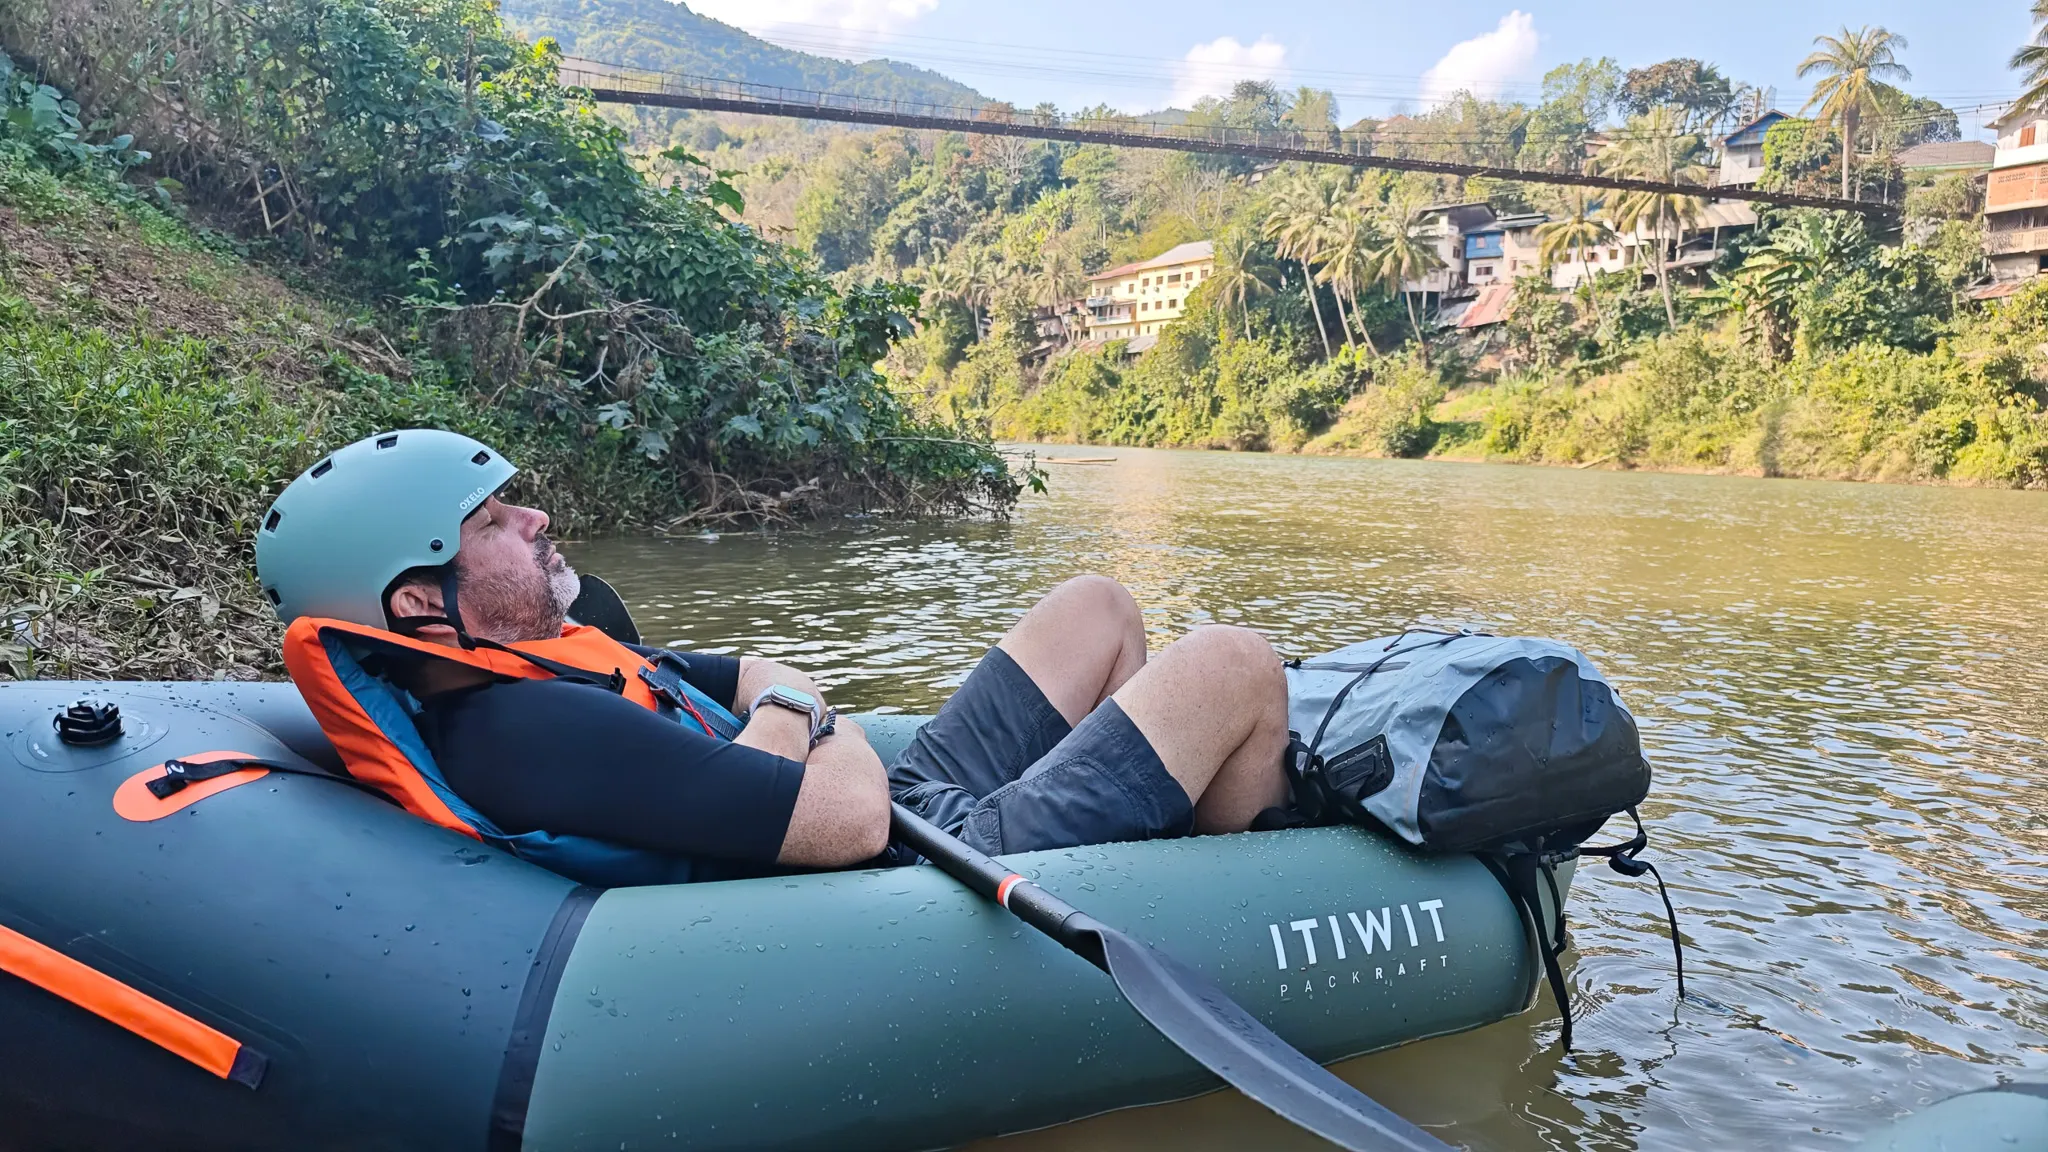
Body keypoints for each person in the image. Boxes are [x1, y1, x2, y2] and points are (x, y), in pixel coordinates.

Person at [255, 429, 1290, 885]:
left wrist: (785, 710)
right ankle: (1234, 891)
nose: (536, 518)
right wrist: (809, 715)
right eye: (492, 522)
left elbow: (750, 671)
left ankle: (1147, 821)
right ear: (421, 607)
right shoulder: (522, 729)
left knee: (1095, 605)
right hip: (921, 864)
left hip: (900, 804)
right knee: (1235, 661)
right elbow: (841, 822)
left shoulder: (552, 657)